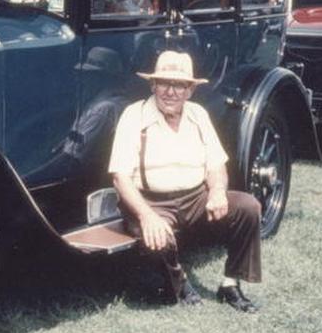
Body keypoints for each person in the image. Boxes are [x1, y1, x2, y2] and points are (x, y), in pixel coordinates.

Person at [108, 50, 262, 312]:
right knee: (157, 241)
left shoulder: (198, 115)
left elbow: (216, 164)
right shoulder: (134, 116)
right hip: (152, 202)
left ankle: (230, 284)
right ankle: (178, 281)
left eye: (179, 85)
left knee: (249, 207)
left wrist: (216, 191)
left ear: (190, 90)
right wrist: (146, 216)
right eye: (164, 83)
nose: (171, 92)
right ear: (153, 85)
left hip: (195, 197)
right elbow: (120, 177)